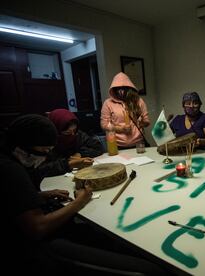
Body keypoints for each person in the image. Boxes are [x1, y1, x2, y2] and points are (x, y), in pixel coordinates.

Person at [0, 114, 166, 275]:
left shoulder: (8, 158)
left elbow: (14, 200)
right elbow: (37, 227)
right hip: (39, 250)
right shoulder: (12, 170)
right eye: (44, 150)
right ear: (25, 145)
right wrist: (79, 201)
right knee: (149, 268)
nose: (44, 157)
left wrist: (40, 195)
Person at [36, 109, 103, 183]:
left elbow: (98, 147)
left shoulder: (78, 134)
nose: (72, 135)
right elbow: (40, 170)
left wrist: (80, 154)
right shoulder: (46, 144)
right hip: (55, 182)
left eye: (74, 130)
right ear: (56, 131)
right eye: (67, 133)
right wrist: (69, 163)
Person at [101, 72, 150, 148]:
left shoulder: (138, 101)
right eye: (118, 88)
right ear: (114, 89)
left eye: (124, 88)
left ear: (129, 88)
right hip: (117, 146)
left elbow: (147, 121)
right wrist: (120, 129)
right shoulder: (108, 103)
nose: (121, 91)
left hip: (138, 144)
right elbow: (104, 124)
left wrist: (142, 122)